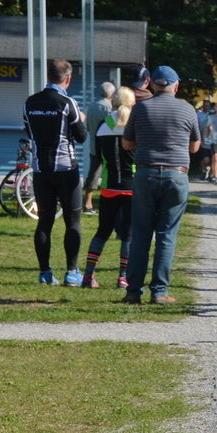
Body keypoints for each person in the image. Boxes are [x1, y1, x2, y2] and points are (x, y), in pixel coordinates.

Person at [120, 65, 201, 304]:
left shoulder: (140, 108)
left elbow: (126, 144)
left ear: (152, 84)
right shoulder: (187, 109)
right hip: (176, 175)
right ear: (176, 86)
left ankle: (133, 291)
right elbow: (195, 147)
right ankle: (159, 292)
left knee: (141, 234)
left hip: (145, 174)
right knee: (166, 235)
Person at [22, 58, 90, 286]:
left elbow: (29, 130)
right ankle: (72, 272)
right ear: (68, 79)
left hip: (41, 169)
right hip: (65, 168)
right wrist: (82, 120)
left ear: (48, 76)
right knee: (73, 222)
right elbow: (81, 136)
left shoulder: (30, 102)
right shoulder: (68, 103)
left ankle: (45, 273)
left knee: (44, 222)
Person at [83, 85, 136, 289]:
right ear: (132, 103)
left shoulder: (103, 125)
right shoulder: (134, 125)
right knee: (129, 235)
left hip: (108, 186)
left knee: (102, 232)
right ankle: (123, 277)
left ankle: (88, 276)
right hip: (131, 185)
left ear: (112, 102)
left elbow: (98, 155)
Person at [82, 79, 115, 213]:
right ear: (111, 94)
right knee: (111, 174)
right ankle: (109, 201)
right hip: (108, 147)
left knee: (93, 174)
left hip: (94, 146)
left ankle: (88, 204)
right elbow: (113, 127)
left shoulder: (91, 107)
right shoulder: (109, 108)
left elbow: (88, 127)